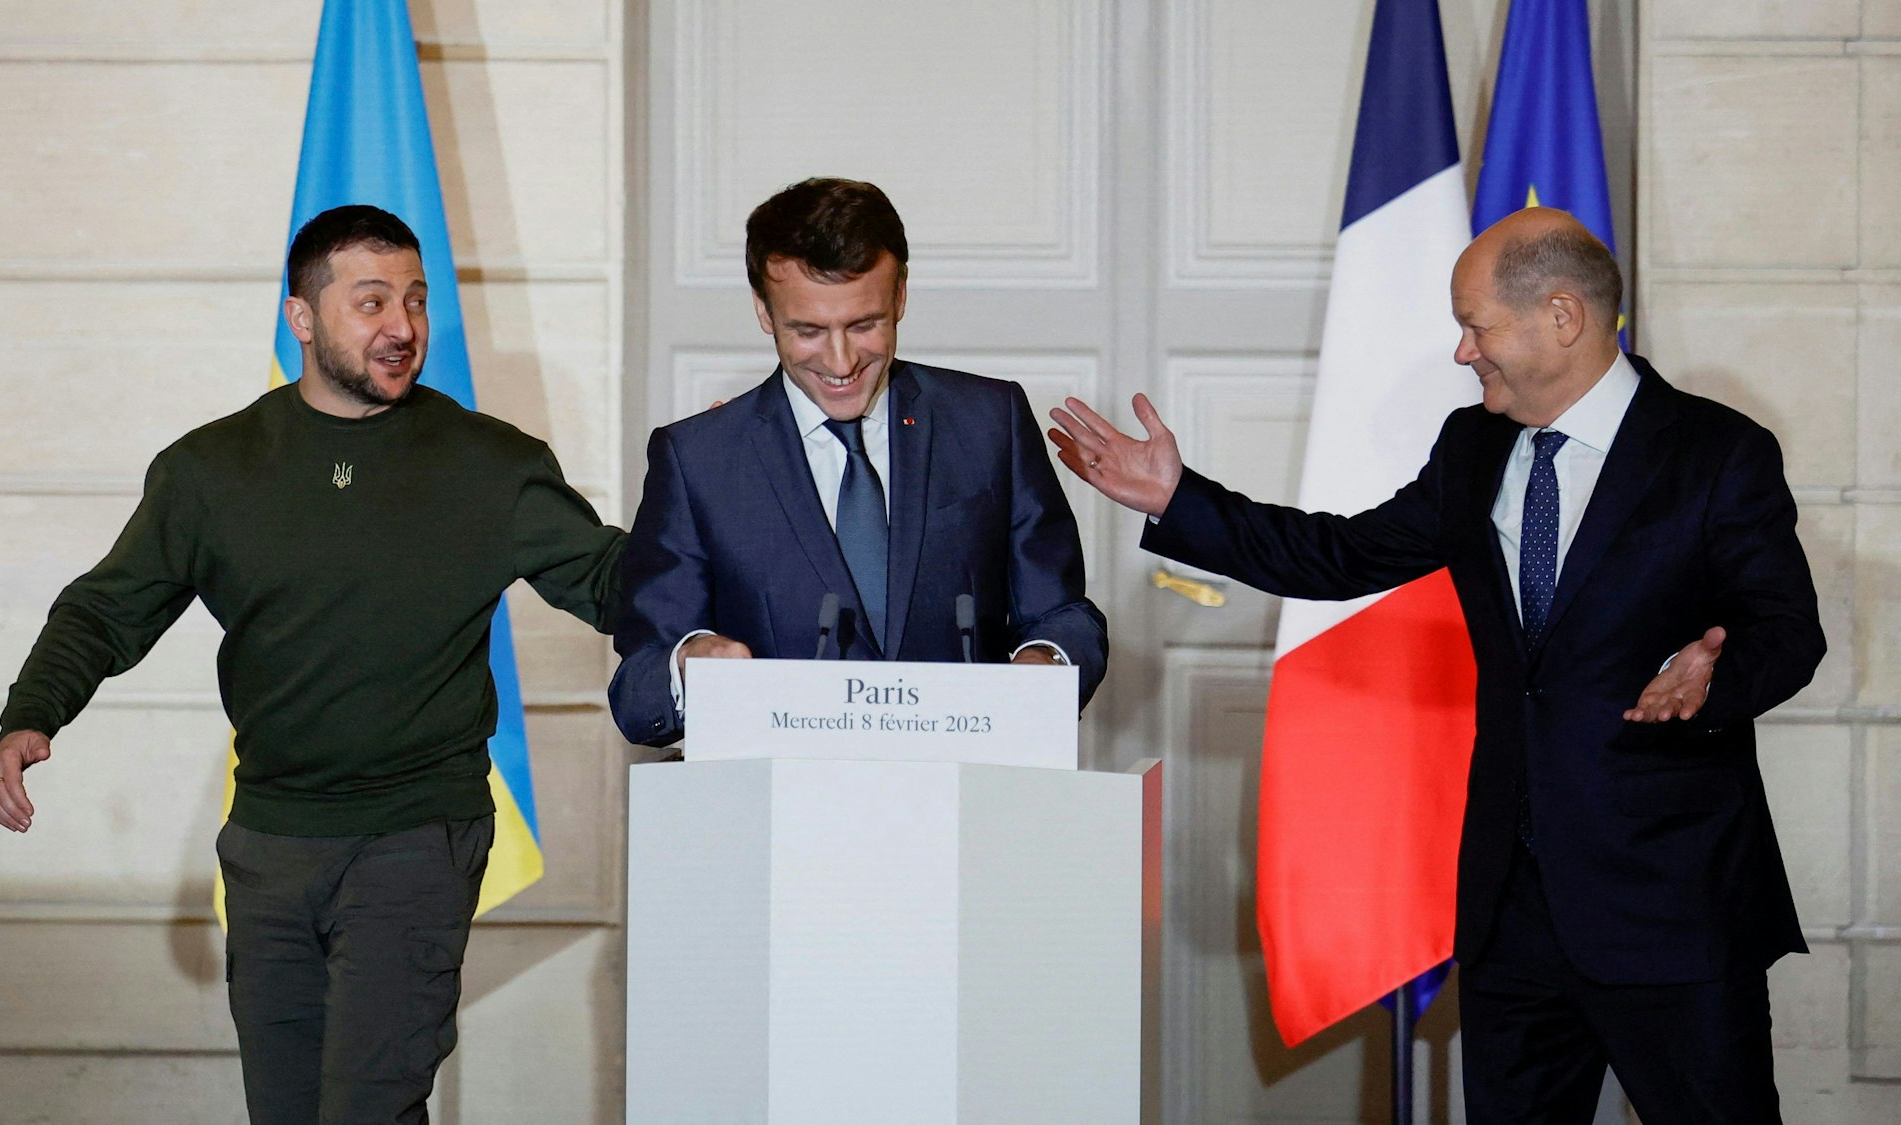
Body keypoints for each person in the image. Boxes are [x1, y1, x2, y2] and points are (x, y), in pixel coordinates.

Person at [1049, 208, 1823, 1122]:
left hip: (1672, 906)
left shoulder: (1716, 453)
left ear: (1563, 317)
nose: (1463, 353)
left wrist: (1713, 680)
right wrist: (1180, 499)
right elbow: (1337, 556)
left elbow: (1788, 630)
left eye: (1477, 325)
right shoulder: (1474, 446)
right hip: (1512, 913)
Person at [0, 205, 628, 1124]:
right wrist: (31, 711)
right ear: (301, 317)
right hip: (270, 845)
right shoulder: (210, 469)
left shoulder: (492, 465)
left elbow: (611, 580)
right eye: (370, 302)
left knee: (367, 1110)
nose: (401, 326)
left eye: (414, 299)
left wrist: (711, 517)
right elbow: (105, 606)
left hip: (417, 838)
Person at [609, 177, 1106, 746]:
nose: (841, 360)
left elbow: (1065, 615)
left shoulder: (990, 422)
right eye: (809, 331)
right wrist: (687, 666)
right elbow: (636, 688)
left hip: (967, 796)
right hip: (775, 813)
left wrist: (1044, 667)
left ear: (899, 297)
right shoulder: (698, 460)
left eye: (864, 324)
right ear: (764, 311)